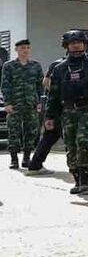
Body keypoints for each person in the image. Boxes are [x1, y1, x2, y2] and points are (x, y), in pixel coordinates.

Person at [46, 31, 88, 195]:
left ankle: (85, 179)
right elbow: (53, 94)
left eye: (79, 42)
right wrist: (50, 116)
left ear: (84, 44)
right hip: (67, 111)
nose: (76, 45)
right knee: (71, 145)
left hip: (87, 109)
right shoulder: (60, 68)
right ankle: (76, 179)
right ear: (66, 46)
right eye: (72, 43)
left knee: (84, 142)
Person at [2, 39, 43, 169]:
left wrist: (40, 102)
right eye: (22, 48)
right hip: (14, 104)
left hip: (31, 104)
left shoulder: (35, 65)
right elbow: (5, 85)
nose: (25, 50)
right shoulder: (9, 66)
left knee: (30, 132)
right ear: (17, 50)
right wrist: (7, 103)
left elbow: (40, 85)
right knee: (14, 131)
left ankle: (26, 158)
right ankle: (14, 159)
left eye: (27, 48)